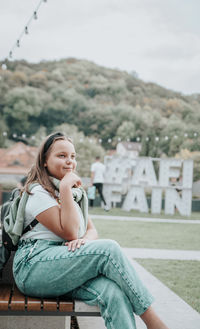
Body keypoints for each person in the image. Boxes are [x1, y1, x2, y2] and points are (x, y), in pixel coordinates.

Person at [13, 132, 169, 329]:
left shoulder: (71, 193)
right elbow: (69, 232)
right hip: (32, 269)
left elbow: (91, 230)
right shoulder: (38, 192)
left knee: (113, 292)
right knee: (109, 249)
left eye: (73, 156)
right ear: (44, 161)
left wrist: (84, 240)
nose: (69, 161)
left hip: (61, 264)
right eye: (61, 156)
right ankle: (154, 322)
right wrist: (66, 190)